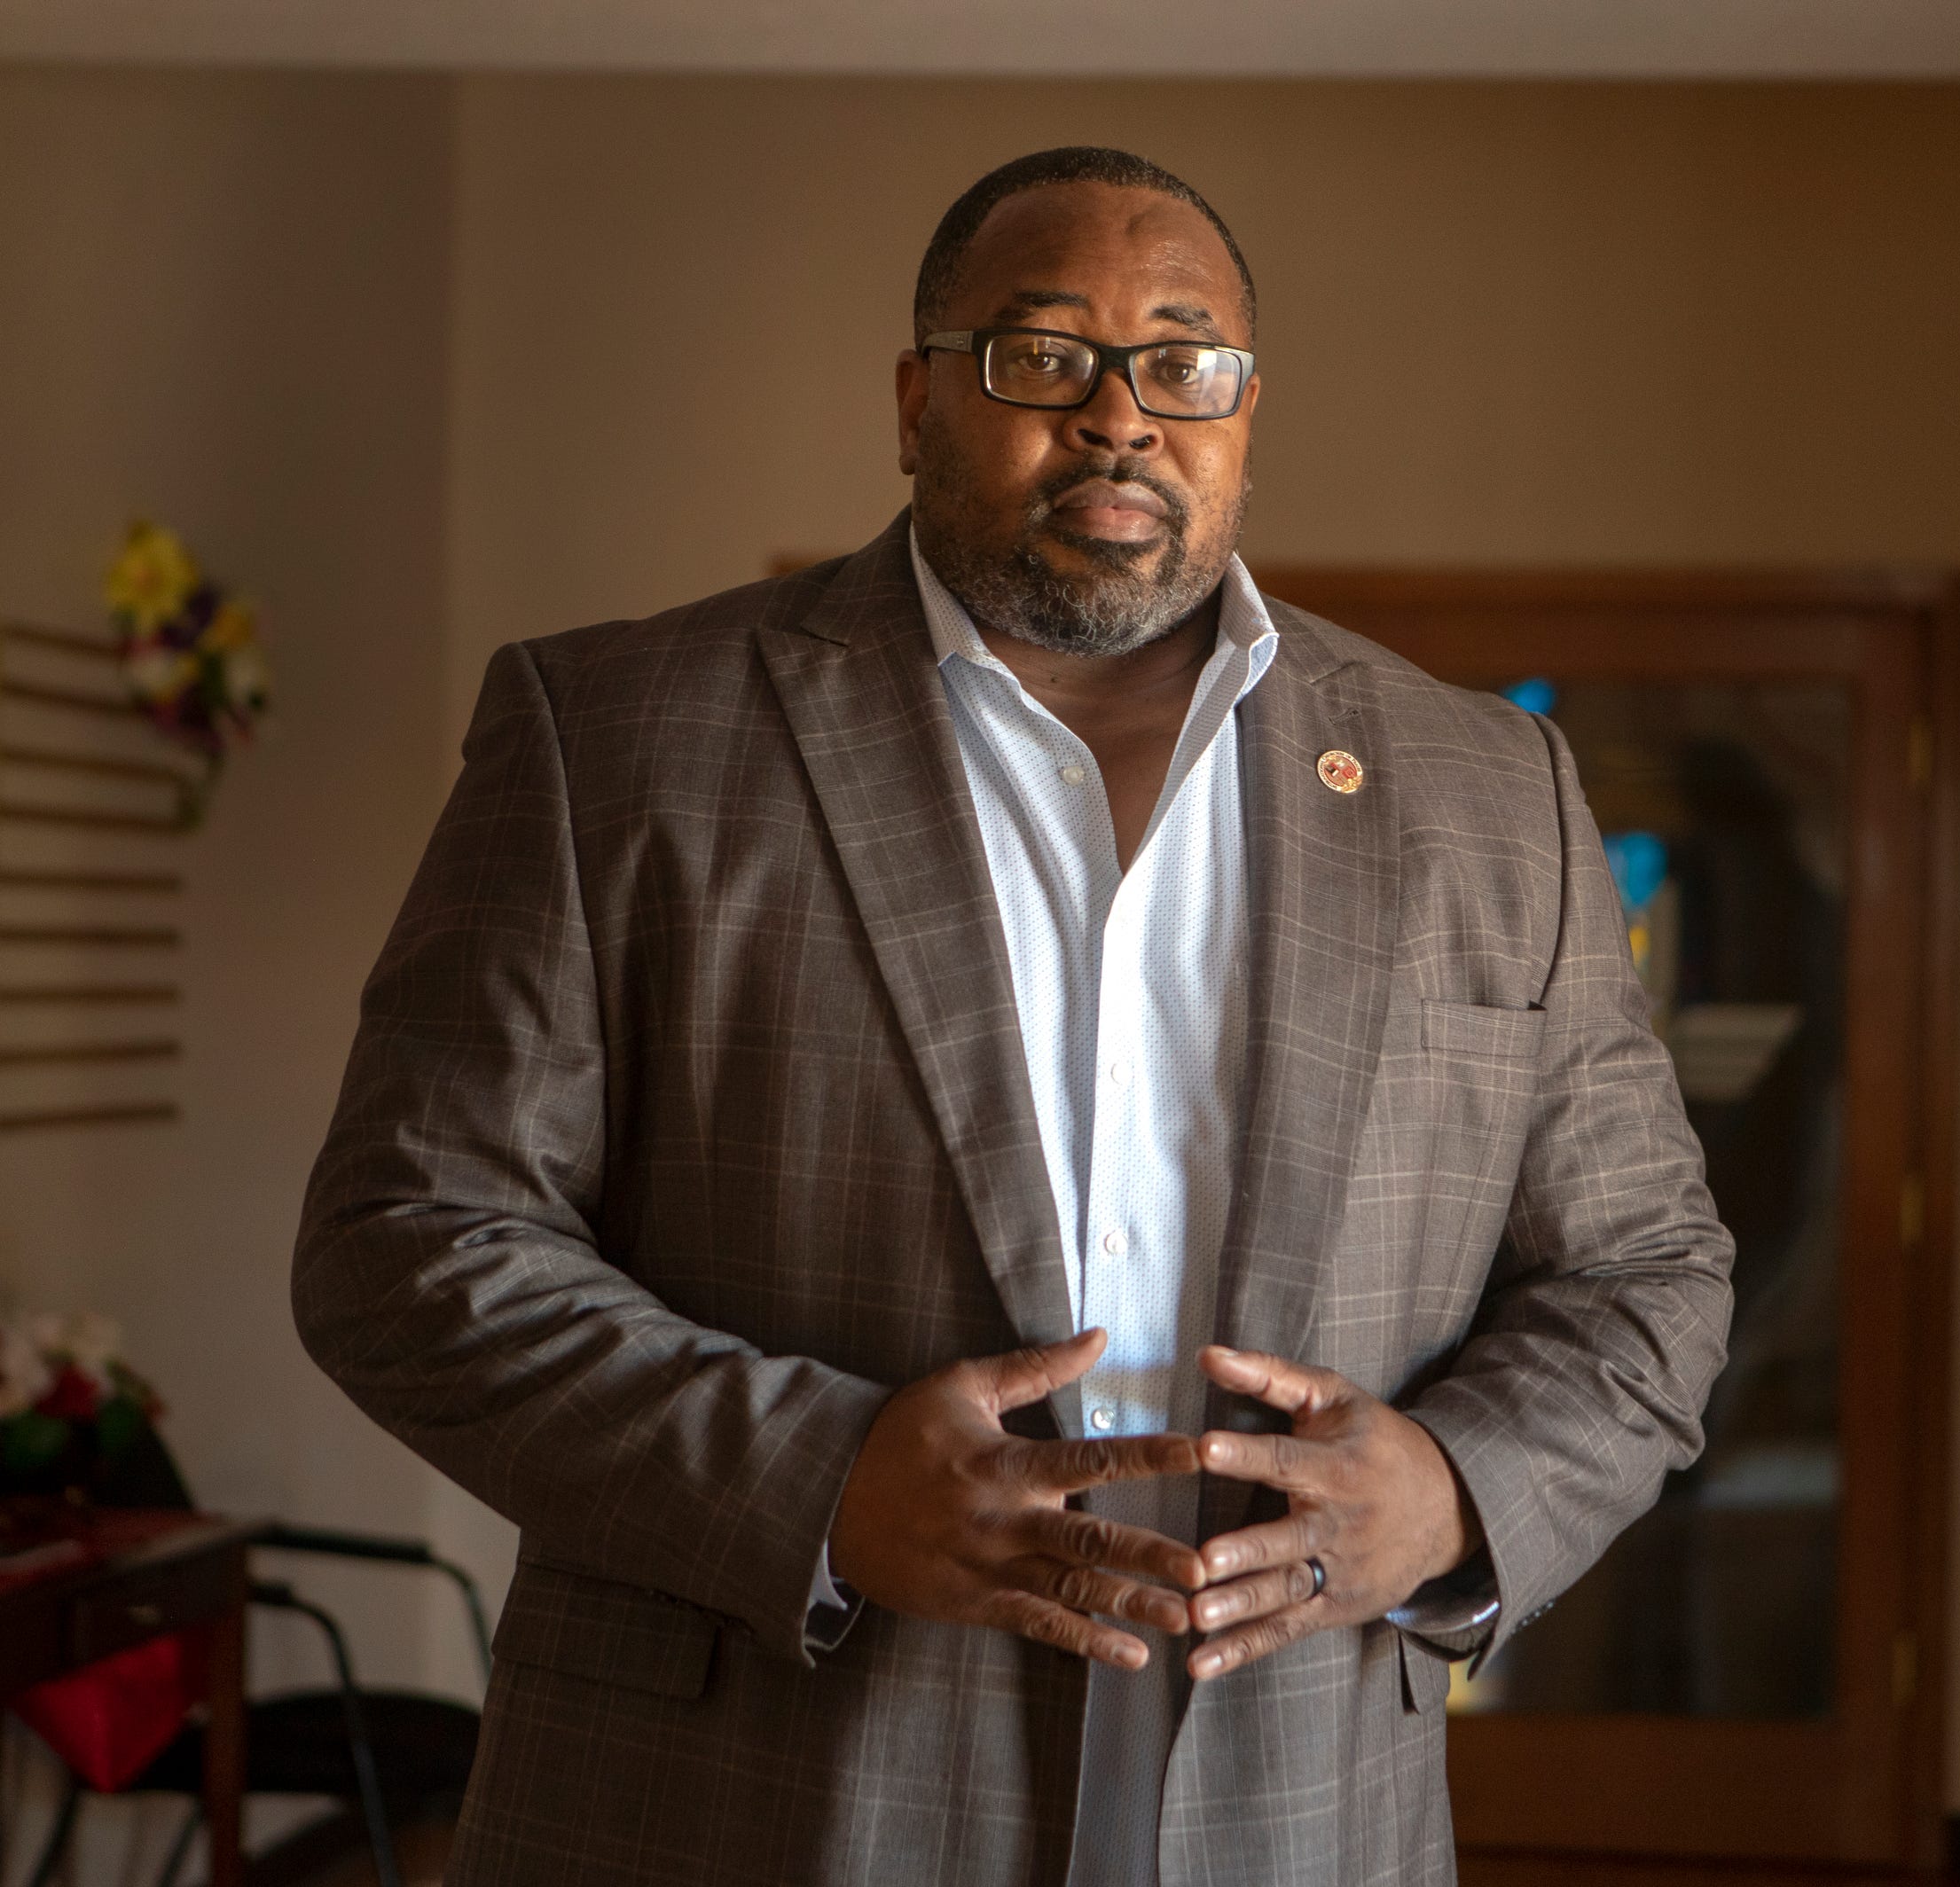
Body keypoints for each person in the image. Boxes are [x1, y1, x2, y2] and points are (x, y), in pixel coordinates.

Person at [293, 145, 1732, 1887]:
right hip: (746, 1802)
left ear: (1247, 415)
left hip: (1300, 1815)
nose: (1122, 414)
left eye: (1185, 361)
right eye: (1041, 354)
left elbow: (1652, 1276)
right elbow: (404, 1242)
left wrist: (1452, 1490)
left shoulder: (1490, 787)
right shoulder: (619, 737)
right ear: (915, 403)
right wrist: (817, 1482)